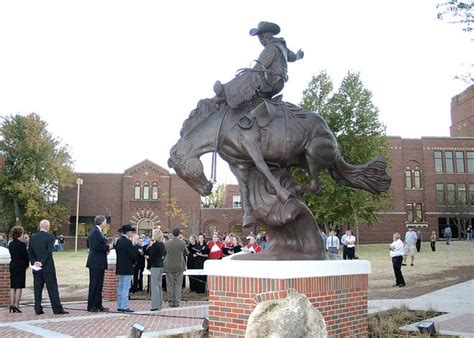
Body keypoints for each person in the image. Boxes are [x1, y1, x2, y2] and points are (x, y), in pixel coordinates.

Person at [213, 21, 304, 109]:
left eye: (262, 37)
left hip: (271, 82)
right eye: (260, 38)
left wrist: (246, 74)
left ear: (268, 35)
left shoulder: (270, 49)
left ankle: (226, 93)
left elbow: (259, 67)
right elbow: (293, 57)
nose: (261, 40)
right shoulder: (281, 46)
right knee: (252, 73)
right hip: (279, 82)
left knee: (252, 74)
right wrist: (298, 56)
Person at [28, 219, 68, 315]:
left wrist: (35, 262)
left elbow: (30, 251)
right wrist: (41, 262)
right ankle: (57, 308)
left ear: (40, 226)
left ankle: (38, 308)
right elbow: (49, 251)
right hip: (48, 268)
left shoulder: (33, 237)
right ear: (47, 226)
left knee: (37, 289)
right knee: (52, 289)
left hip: (36, 268)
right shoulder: (50, 237)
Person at [86, 215, 112, 313]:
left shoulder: (99, 232)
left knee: (99, 284)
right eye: (105, 222)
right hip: (95, 263)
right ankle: (91, 305)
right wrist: (108, 247)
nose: (106, 223)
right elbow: (96, 246)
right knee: (94, 284)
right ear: (101, 222)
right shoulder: (95, 232)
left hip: (99, 262)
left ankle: (98, 304)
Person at [164, 228, 188, 307]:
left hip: (169, 265)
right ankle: (177, 301)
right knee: (178, 284)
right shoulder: (182, 242)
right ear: (179, 234)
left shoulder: (167, 243)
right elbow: (186, 252)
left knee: (170, 284)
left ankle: (171, 301)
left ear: (172, 234)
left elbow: (164, 252)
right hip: (179, 265)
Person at [115, 224, 137, 312]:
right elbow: (132, 255)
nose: (132, 234)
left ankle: (119, 305)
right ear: (128, 232)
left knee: (120, 286)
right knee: (126, 287)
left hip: (120, 266)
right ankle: (124, 306)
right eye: (131, 232)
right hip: (127, 267)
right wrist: (134, 247)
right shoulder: (128, 242)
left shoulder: (119, 241)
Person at [8, 226, 29, 313]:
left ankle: (12, 304)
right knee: (19, 286)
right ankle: (16, 305)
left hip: (12, 265)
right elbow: (25, 256)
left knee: (13, 286)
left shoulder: (11, 244)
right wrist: (27, 265)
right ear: (20, 234)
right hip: (20, 266)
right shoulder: (22, 245)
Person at [148, 229, 165, 311]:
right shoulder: (162, 244)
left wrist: (148, 265)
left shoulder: (154, 245)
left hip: (155, 266)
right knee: (159, 285)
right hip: (161, 265)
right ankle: (159, 304)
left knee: (154, 285)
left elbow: (151, 257)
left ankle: (155, 305)